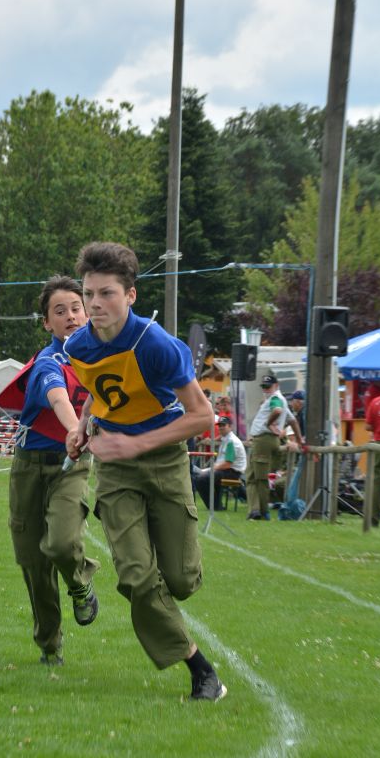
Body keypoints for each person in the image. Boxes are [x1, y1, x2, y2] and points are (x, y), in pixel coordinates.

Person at [65, 242, 226, 702]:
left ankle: (178, 577)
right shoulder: (76, 346)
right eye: (89, 293)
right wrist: (82, 425)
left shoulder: (156, 345)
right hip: (115, 468)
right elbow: (99, 392)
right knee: (136, 577)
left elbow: (202, 416)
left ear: (130, 295)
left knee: (181, 582)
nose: (95, 304)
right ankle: (199, 668)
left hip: (165, 460)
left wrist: (136, 443)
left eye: (107, 293)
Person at [0, 275, 100, 666]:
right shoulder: (48, 362)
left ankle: (80, 582)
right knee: (33, 562)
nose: (70, 316)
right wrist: (76, 428)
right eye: (60, 311)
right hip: (29, 467)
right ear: (46, 323)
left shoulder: (105, 359)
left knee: (59, 543)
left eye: (76, 308)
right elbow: (57, 396)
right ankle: (49, 644)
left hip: (70, 466)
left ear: (88, 312)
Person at [245, 372, 305, 520]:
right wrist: (300, 440)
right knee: (253, 476)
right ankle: (255, 510)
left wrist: (269, 423)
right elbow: (293, 421)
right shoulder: (281, 400)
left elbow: (277, 410)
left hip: (263, 440)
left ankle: (262, 512)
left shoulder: (275, 399)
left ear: (276, 386)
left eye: (268, 386)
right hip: (268, 440)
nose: (265, 389)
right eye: (264, 386)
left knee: (259, 479)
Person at [194, 415, 246, 511]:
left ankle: (215, 506)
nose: (221, 427)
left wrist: (211, 469)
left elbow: (227, 464)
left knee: (201, 478)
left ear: (230, 426)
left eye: (223, 425)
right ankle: (217, 505)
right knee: (202, 475)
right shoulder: (226, 438)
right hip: (227, 470)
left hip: (231, 471)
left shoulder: (231, 441)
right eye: (219, 425)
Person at [365, 388, 380, 527]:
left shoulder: (376, 401)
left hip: (379, 445)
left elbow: (368, 426)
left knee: (376, 483)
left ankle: (373, 520)